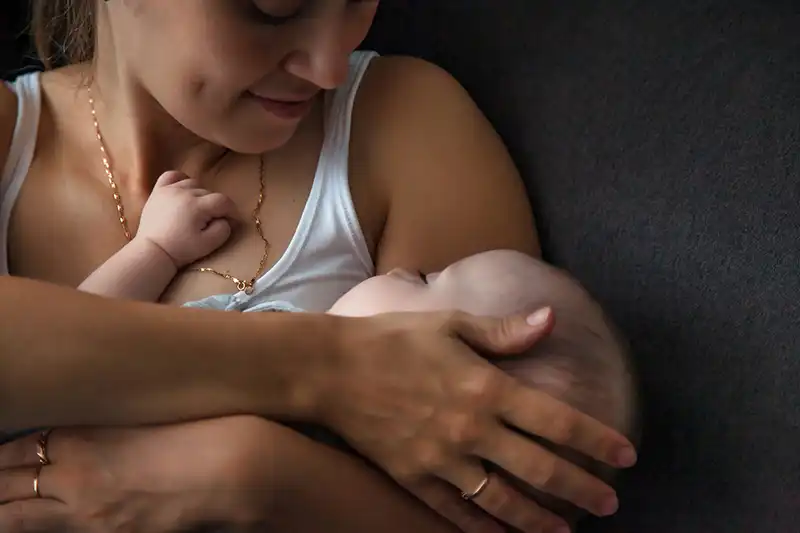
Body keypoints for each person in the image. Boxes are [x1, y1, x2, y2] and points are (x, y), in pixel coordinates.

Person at [0, 1, 637, 532]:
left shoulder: (403, 122)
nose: (328, 65)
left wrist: (257, 473)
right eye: (273, 6)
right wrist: (328, 366)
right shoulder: (11, 139)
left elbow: (485, 509)